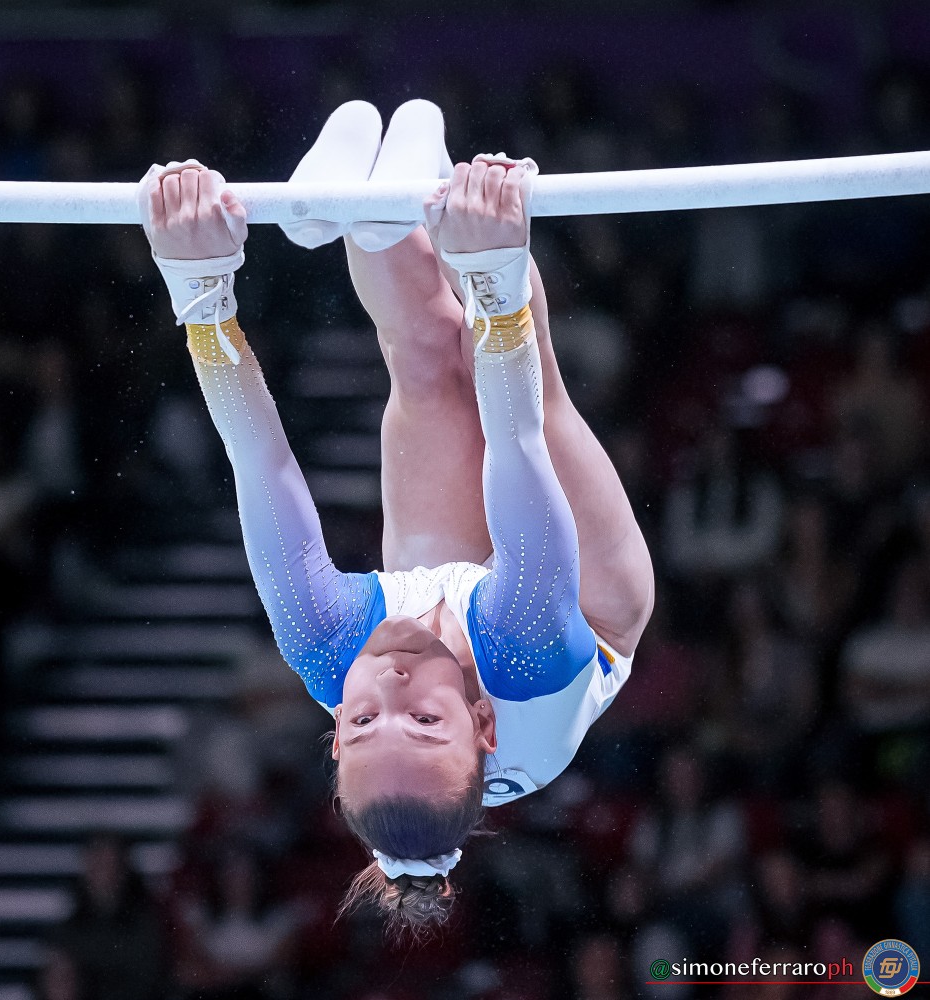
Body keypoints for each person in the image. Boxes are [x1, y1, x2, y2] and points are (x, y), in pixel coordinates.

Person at [138, 100, 654, 933]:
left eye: (363, 719)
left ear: (336, 736)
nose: (390, 685)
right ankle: (407, 177)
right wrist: (493, 271)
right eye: (423, 720)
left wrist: (200, 291)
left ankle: (368, 192)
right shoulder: (527, 657)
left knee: (421, 360)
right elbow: (516, 438)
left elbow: (259, 460)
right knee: (500, 357)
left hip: (445, 606)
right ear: (483, 725)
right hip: (588, 614)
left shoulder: (330, 648)